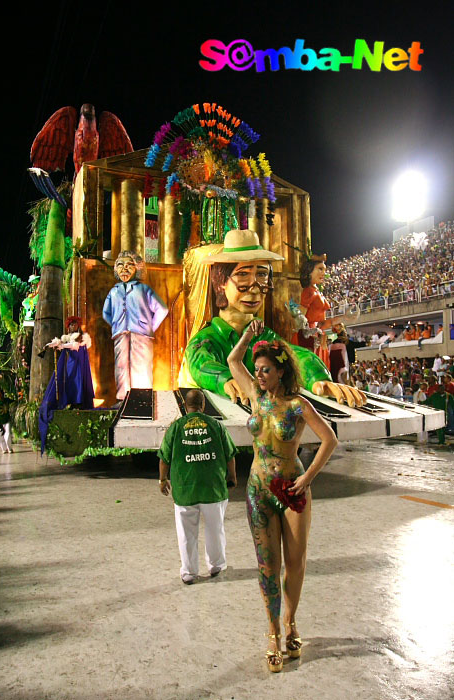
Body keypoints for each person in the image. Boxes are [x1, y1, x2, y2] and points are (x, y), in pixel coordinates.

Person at [227, 320, 338, 672]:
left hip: (292, 490)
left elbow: (329, 439)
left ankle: (291, 622)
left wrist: (307, 476)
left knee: (296, 563)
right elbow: (233, 361)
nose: (258, 375)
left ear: (280, 371)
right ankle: (274, 632)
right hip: (259, 489)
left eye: (265, 370)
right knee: (267, 566)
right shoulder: (255, 398)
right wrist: (247, 336)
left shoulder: (297, 406)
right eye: (257, 370)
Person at [183, 230, 364, 408]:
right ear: (221, 282)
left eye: (261, 275)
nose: (254, 288)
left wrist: (318, 380)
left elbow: (295, 355)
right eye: (243, 274)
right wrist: (225, 380)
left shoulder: (266, 338)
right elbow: (201, 363)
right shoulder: (206, 339)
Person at [157, 389, 237, 585]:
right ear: (203, 406)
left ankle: (189, 572)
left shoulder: (176, 427)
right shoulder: (216, 425)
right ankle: (216, 565)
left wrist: (162, 479)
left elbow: (164, 457)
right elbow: (230, 454)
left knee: (186, 532)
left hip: (185, 489)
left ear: (185, 406)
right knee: (215, 528)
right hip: (213, 488)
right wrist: (232, 476)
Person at [103, 251, 168, 401]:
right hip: (120, 333)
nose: (124, 269)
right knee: (121, 366)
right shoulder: (114, 291)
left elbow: (162, 309)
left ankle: (141, 400)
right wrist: (116, 324)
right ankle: (122, 399)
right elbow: (106, 313)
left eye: (129, 265)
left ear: (137, 268)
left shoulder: (143, 289)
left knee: (141, 365)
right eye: (120, 265)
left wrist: (149, 326)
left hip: (141, 334)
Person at [38, 316, 95, 454]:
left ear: (77, 325)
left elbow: (74, 346)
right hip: (70, 365)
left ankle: (79, 403)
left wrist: (62, 346)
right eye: (70, 325)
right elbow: (58, 342)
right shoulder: (66, 337)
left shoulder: (81, 337)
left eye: (74, 324)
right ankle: (69, 402)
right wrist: (48, 346)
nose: (72, 327)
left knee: (77, 382)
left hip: (78, 366)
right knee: (68, 383)